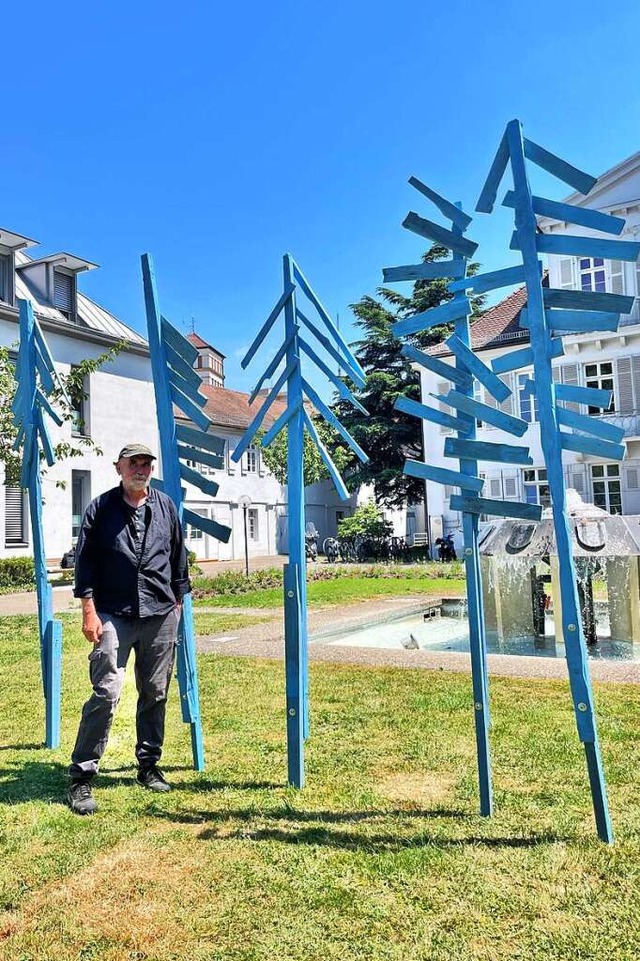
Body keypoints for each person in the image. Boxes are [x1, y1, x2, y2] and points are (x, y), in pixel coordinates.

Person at [67, 443, 191, 815]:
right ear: (118, 467)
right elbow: (84, 563)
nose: (140, 469)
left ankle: (149, 766)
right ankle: (81, 777)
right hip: (112, 613)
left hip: (160, 613)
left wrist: (178, 605)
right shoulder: (101, 509)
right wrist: (89, 611)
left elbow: (178, 556)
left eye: (146, 463)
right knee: (106, 691)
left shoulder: (166, 506)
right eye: (133, 463)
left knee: (155, 692)